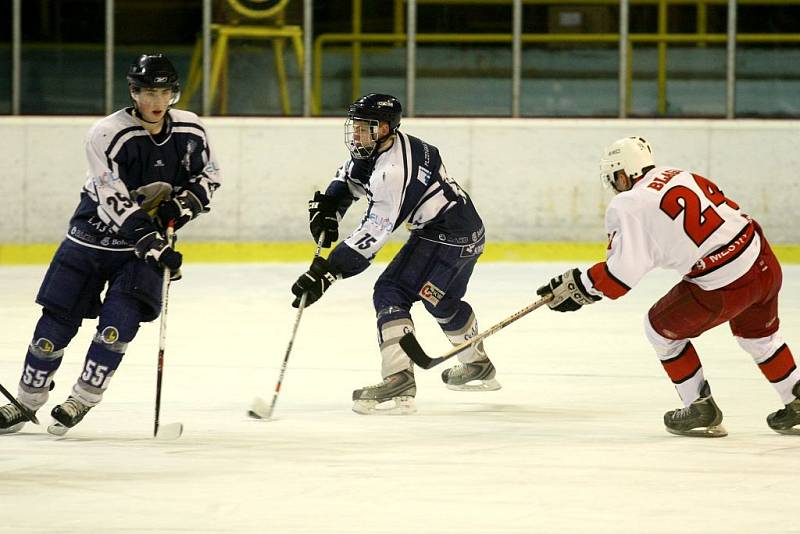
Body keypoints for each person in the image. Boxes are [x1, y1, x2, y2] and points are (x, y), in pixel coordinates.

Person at [0, 54, 221, 435]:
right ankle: (26, 400)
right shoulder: (107, 133)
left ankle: (82, 399)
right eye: (148, 91)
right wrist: (150, 239)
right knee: (51, 330)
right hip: (89, 241)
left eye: (164, 91)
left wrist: (181, 207)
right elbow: (110, 194)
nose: (156, 100)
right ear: (134, 92)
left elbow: (209, 176)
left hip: (140, 253)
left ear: (174, 93)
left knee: (116, 329)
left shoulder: (191, 129)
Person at [536, 136, 799, 437]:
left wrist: (580, 285)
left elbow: (621, 274)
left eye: (614, 178)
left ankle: (699, 408)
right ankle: (798, 401)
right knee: (760, 338)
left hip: (725, 284)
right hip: (762, 259)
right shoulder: (678, 174)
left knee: (659, 329)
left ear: (623, 174)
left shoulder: (629, 203)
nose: (614, 185)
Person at [290, 93, 497, 415]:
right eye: (355, 126)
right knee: (441, 300)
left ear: (385, 128)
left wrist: (327, 273)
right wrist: (331, 207)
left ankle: (399, 376)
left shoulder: (394, 172)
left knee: (391, 292)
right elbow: (350, 178)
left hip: (444, 237)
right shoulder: (391, 145)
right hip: (467, 232)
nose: (356, 134)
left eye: (364, 127)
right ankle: (477, 364)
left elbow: (372, 236)